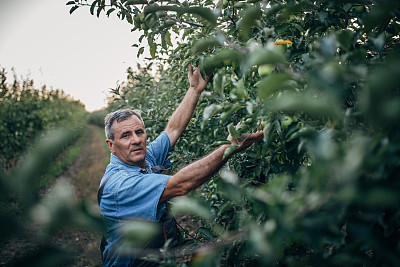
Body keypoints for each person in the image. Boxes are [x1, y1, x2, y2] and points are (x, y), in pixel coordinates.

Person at [99, 65, 263, 266]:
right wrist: (230, 147)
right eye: (125, 135)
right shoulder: (121, 184)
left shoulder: (143, 157)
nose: (136, 140)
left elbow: (173, 129)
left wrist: (194, 89)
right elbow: (181, 184)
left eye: (139, 132)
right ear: (111, 145)